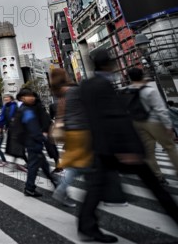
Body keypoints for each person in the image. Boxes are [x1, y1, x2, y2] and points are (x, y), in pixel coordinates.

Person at [78, 49, 178, 243]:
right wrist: (126, 148)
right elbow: (113, 117)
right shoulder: (103, 86)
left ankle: (86, 226)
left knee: (96, 188)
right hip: (121, 147)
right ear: (107, 65)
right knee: (156, 188)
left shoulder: (87, 85)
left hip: (101, 145)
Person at [127, 67, 178, 185]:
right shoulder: (149, 90)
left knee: (149, 152)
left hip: (138, 123)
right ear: (142, 75)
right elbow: (160, 110)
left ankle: (158, 176)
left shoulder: (127, 90)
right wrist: (168, 125)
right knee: (170, 146)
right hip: (154, 122)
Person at [50, 69, 90, 208]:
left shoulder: (58, 93)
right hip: (81, 130)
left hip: (69, 132)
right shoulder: (73, 90)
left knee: (78, 164)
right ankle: (61, 187)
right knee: (84, 163)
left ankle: (62, 184)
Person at [14, 88, 58, 198]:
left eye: (33, 95)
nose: (32, 97)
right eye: (29, 96)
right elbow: (32, 128)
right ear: (22, 98)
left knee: (44, 165)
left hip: (32, 142)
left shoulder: (28, 108)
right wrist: (42, 138)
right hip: (33, 142)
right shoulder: (26, 110)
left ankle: (53, 183)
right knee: (34, 166)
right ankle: (29, 188)